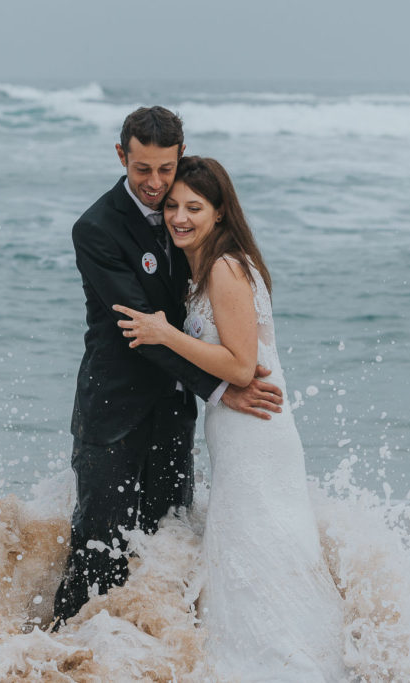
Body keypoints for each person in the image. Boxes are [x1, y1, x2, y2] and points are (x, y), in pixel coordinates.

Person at [113, 156, 345, 681]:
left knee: (258, 540)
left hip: (255, 429)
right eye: (172, 206)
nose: (179, 217)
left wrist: (165, 333)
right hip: (239, 426)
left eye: (194, 207)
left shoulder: (224, 267)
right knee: (248, 543)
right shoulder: (206, 266)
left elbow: (242, 365)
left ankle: (283, 665)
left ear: (220, 213)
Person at [54, 108, 285, 626]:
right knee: (98, 549)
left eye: (165, 168)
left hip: (174, 410)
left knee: (166, 542)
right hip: (115, 409)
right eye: (142, 170)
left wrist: (220, 382)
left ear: (179, 156)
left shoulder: (191, 217)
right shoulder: (95, 229)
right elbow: (140, 331)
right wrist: (223, 389)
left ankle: (148, 654)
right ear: (122, 157)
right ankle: (57, 651)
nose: (156, 184)